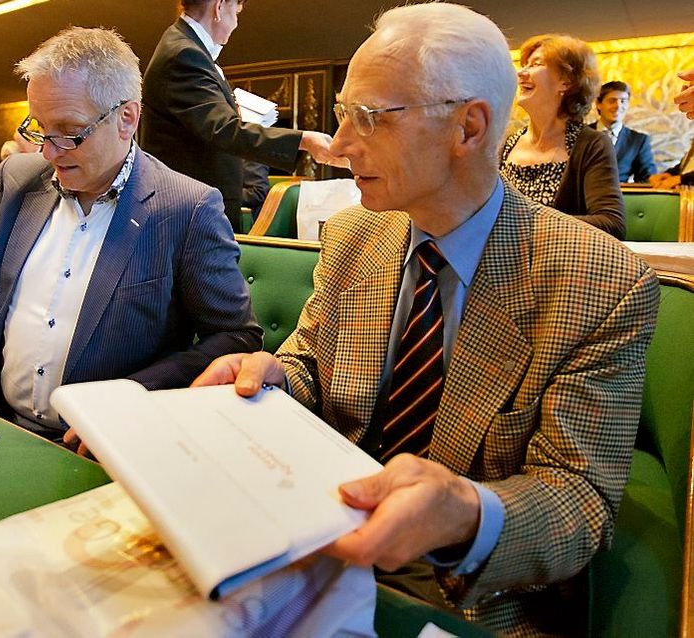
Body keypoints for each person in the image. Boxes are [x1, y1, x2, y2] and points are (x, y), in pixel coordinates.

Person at [192, 4, 658, 635]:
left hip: (468, 591)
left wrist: (467, 512)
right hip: (309, 540)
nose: (342, 145)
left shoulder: (601, 281)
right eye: (340, 118)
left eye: (369, 119)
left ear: (468, 128)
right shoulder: (356, 234)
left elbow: (578, 502)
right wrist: (272, 378)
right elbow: (310, 365)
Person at [0, 27, 261, 442]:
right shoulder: (18, 179)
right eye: (39, 127)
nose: (48, 151)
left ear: (126, 118)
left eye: (69, 131)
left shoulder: (186, 208)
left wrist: (133, 396)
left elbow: (235, 336)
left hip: (102, 444)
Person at [139, 0, 335, 230]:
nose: (236, 24)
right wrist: (304, 140)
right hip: (187, 214)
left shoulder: (186, 48)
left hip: (194, 208)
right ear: (219, 7)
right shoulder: (183, 54)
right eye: (237, 13)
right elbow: (224, 129)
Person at [500, 34, 625, 238]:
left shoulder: (592, 144)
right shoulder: (505, 144)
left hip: (558, 266)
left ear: (565, 82)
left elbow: (611, 223)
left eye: (535, 64)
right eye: (524, 65)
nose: (521, 73)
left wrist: (527, 223)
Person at [590, 81, 656, 182]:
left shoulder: (638, 141)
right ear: (598, 104)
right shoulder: (580, 135)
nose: (618, 106)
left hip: (621, 196)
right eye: (612, 101)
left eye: (623, 101)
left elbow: (647, 179)